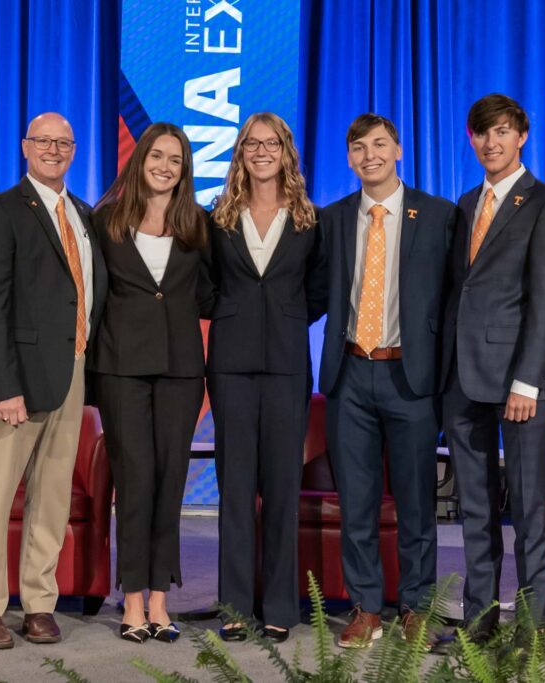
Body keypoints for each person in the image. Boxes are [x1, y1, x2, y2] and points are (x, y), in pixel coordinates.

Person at [0, 112, 107, 649]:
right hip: (14, 382)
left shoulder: (86, 216)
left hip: (71, 374)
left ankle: (39, 605)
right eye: (43, 141)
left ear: (74, 150)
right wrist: (5, 386)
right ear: (25, 146)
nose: (54, 149)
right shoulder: (0, 210)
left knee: (50, 499)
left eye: (64, 142)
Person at [317, 113, 456, 650]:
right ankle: (366, 607)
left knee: (418, 503)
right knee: (357, 501)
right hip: (349, 373)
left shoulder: (439, 216)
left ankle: (416, 607)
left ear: (398, 149)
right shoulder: (332, 219)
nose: (369, 154)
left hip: (411, 377)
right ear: (349, 158)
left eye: (379, 144)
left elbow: (453, 297)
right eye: (358, 147)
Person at [440, 94, 545, 644]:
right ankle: (479, 620)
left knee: (528, 506)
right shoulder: (465, 204)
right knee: (474, 509)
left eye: (501, 132)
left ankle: (533, 624)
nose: (490, 143)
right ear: (471, 139)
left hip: (519, 381)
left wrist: (527, 378)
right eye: (481, 133)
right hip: (462, 377)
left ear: (520, 137)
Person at [207, 112, 326, 643]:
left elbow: (320, 289)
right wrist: (236, 312)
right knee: (234, 491)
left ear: (285, 151)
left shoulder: (308, 218)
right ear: (240, 153)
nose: (261, 151)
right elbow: (204, 285)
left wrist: (286, 315)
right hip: (229, 365)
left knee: (280, 488)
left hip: (285, 365)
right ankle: (234, 606)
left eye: (270, 143)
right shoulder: (218, 216)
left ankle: (279, 604)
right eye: (251, 143)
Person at [90, 122, 212, 644]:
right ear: (139, 161)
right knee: (135, 480)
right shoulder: (105, 219)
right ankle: (131, 600)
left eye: (176, 159)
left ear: (185, 170)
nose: (165, 166)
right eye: (157, 156)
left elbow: (209, 293)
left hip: (183, 371)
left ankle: (161, 600)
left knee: (169, 482)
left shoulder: (199, 224)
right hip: (121, 368)